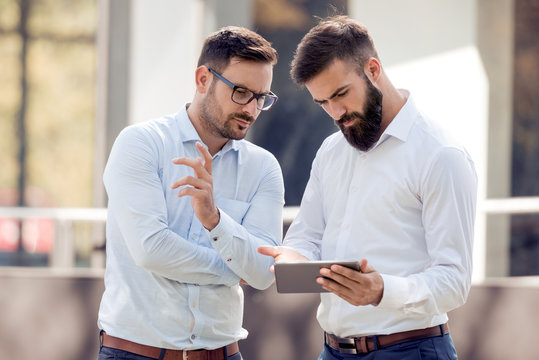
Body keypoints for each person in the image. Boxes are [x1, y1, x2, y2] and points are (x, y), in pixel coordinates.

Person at [259, 15, 477, 360]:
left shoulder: (440, 155)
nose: (336, 113)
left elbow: (454, 281)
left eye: (341, 94)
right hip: (332, 350)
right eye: (323, 103)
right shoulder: (331, 151)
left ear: (373, 69)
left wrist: (381, 291)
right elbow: (307, 235)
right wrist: (294, 258)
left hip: (410, 350)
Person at [97, 26, 284, 360]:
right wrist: (233, 269)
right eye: (241, 92)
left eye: (261, 98)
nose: (251, 109)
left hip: (222, 354)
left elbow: (261, 272)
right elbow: (152, 250)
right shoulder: (141, 144)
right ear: (202, 79)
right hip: (135, 354)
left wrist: (215, 221)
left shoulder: (264, 168)